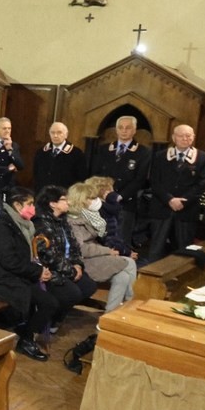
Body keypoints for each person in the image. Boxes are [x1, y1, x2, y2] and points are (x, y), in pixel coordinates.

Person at [0, 188, 54, 362]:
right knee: (48, 303)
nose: (32, 207)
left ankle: (26, 329)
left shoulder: (18, 222)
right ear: (16, 204)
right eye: (29, 204)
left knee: (54, 294)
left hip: (15, 275)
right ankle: (26, 340)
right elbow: (9, 260)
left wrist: (38, 270)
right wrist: (36, 271)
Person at [65, 182, 137, 313]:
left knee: (123, 277)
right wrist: (108, 251)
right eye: (91, 198)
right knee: (129, 263)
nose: (95, 201)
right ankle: (130, 305)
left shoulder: (89, 215)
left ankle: (110, 314)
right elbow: (81, 249)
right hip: (82, 260)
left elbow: (110, 236)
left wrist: (117, 250)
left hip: (96, 255)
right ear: (81, 199)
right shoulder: (72, 221)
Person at [33, 185, 97, 328]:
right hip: (50, 271)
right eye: (64, 200)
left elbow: (74, 246)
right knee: (72, 293)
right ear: (52, 203)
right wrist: (71, 271)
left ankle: (59, 316)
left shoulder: (62, 221)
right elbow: (48, 255)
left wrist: (78, 265)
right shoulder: (41, 223)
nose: (68, 202)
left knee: (89, 286)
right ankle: (51, 321)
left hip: (67, 267)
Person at [147, 124, 205, 261]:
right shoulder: (160, 156)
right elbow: (155, 182)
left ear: (193, 137)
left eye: (188, 136)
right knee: (156, 249)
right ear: (174, 138)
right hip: (162, 208)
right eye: (181, 135)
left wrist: (183, 201)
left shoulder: (203, 158)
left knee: (185, 249)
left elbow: (201, 185)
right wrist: (169, 199)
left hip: (187, 210)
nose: (185, 138)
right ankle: (149, 281)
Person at [90, 115, 150, 250]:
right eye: (121, 128)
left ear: (134, 130)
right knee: (100, 238)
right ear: (116, 130)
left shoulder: (143, 151)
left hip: (125, 203)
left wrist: (119, 196)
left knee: (121, 240)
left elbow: (140, 179)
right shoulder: (104, 149)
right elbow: (96, 174)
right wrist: (103, 193)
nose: (124, 131)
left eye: (128, 128)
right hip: (102, 201)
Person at [33, 122, 87, 193]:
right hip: (43, 194)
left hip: (65, 195)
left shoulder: (76, 153)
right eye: (52, 133)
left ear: (66, 135)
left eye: (59, 133)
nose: (55, 135)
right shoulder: (41, 152)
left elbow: (81, 178)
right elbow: (36, 174)